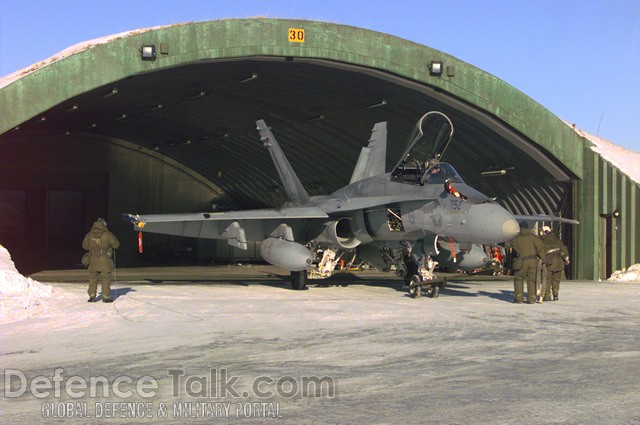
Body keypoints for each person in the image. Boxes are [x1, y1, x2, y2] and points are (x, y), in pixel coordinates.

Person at [82, 218, 120, 303]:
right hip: (105, 262)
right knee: (106, 279)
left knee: (92, 279)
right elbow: (116, 245)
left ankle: (92, 296)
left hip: (93, 261)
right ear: (104, 225)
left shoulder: (89, 235)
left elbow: (84, 246)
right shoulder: (108, 234)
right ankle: (106, 297)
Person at [509, 222, 545, 304]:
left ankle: (519, 298)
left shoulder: (515, 238)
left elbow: (510, 247)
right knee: (532, 280)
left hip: (521, 261)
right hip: (533, 261)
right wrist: (544, 259)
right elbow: (540, 249)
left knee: (519, 279)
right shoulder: (534, 238)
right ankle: (531, 298)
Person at [539, 225, 570, 301]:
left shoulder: (542, 241)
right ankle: (555, 294)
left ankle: (547, 296)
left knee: (546, 280)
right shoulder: (557, 240)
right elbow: (564, 249)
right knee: (556, 280)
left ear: (544, 232)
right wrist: (566, 258)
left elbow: (540, 252)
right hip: (559, 263)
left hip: (548, 263)